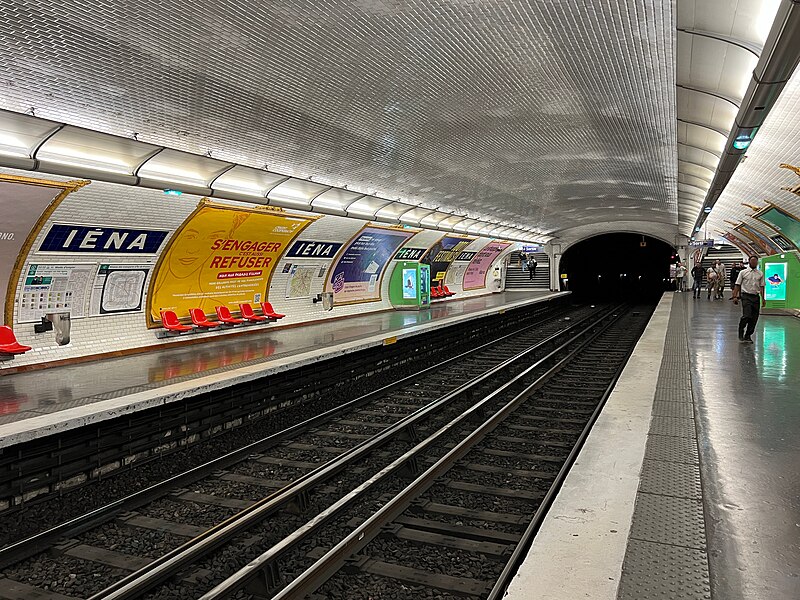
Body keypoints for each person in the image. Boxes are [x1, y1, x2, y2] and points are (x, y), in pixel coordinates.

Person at [731, 255, 766, 343]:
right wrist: (735, 296)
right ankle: (741, 330)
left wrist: (763, 298)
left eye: (755, 261)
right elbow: (737, 284)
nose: (754, 263)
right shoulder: (743, 272)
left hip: (755, 297)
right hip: (746, 296)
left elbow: (762, 287)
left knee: (754, 318)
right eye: (752, 261)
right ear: (749, 262)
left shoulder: (760, 273)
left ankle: (748, 335)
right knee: (747, 315)